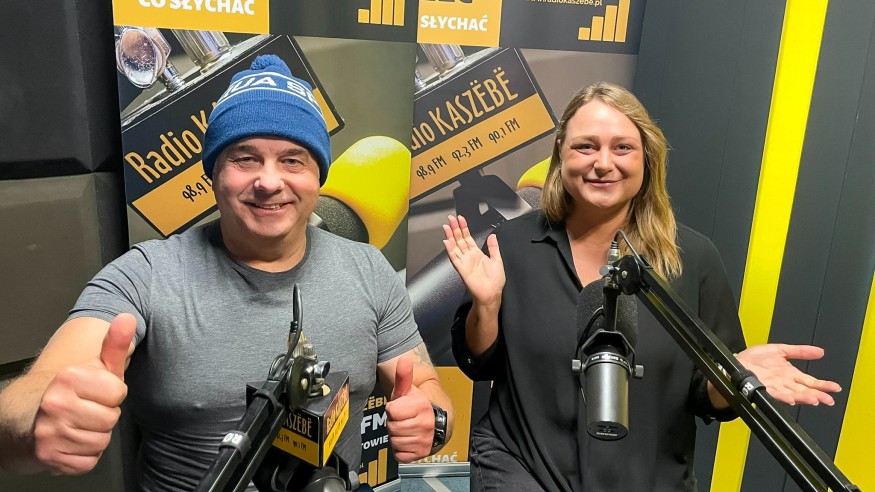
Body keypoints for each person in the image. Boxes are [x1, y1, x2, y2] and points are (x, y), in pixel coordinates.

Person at [0, 54, 454, 490]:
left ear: (318, 177)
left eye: (293, 160)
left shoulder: (368, 269)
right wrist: (38, 417)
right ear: (212, 174)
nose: (269, 181)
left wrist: (431, 420)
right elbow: (26, 400)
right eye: (244, 158)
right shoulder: (145, 275)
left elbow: (427, 387)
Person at [442, 82, 840, 491]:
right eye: (585, 146)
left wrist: (736, 379)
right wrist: (486, 305)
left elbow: (705, 396)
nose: (603, 163)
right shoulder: (510, 244)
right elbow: (479, 364)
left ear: (647, 157)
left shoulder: (693, 258)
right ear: (561, 153)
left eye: (622, 148)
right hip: (524, 470)